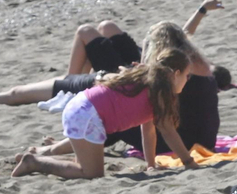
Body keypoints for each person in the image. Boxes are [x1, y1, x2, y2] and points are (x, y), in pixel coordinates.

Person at [0, 0, 226, 159]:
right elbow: (182, 35)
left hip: (106, 85)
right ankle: (68, 89)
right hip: (132, 86)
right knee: (105, 27)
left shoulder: (159, 79)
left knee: (83, 36)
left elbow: (147, 119)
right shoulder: (187, 64)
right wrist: (200, 11)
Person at [12, 52, 192, 178]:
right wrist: (188, 161)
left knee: (85, 165)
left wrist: (151, 164)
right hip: (87, 114)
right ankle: (34, 162)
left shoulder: (149, 82)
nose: (187, 80)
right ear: (176, 74)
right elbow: (167, 131)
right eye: (187, 76)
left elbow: (148, 130)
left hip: (82, 108)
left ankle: (41, 158)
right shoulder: (160, 92)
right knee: (91, 173)